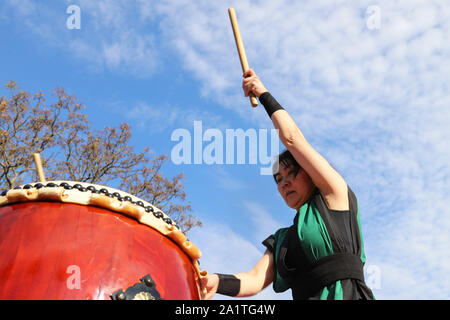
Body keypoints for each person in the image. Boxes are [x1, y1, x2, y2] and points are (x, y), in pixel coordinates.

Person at [200, 69, 374, 300]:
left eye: (291, 173)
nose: (284, 183)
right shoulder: (282, 240)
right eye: (278, 179)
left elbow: (291, 138)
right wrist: (215, 281)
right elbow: (252, 281)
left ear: (310, 174)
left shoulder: (336, 195)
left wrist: (262, 93)